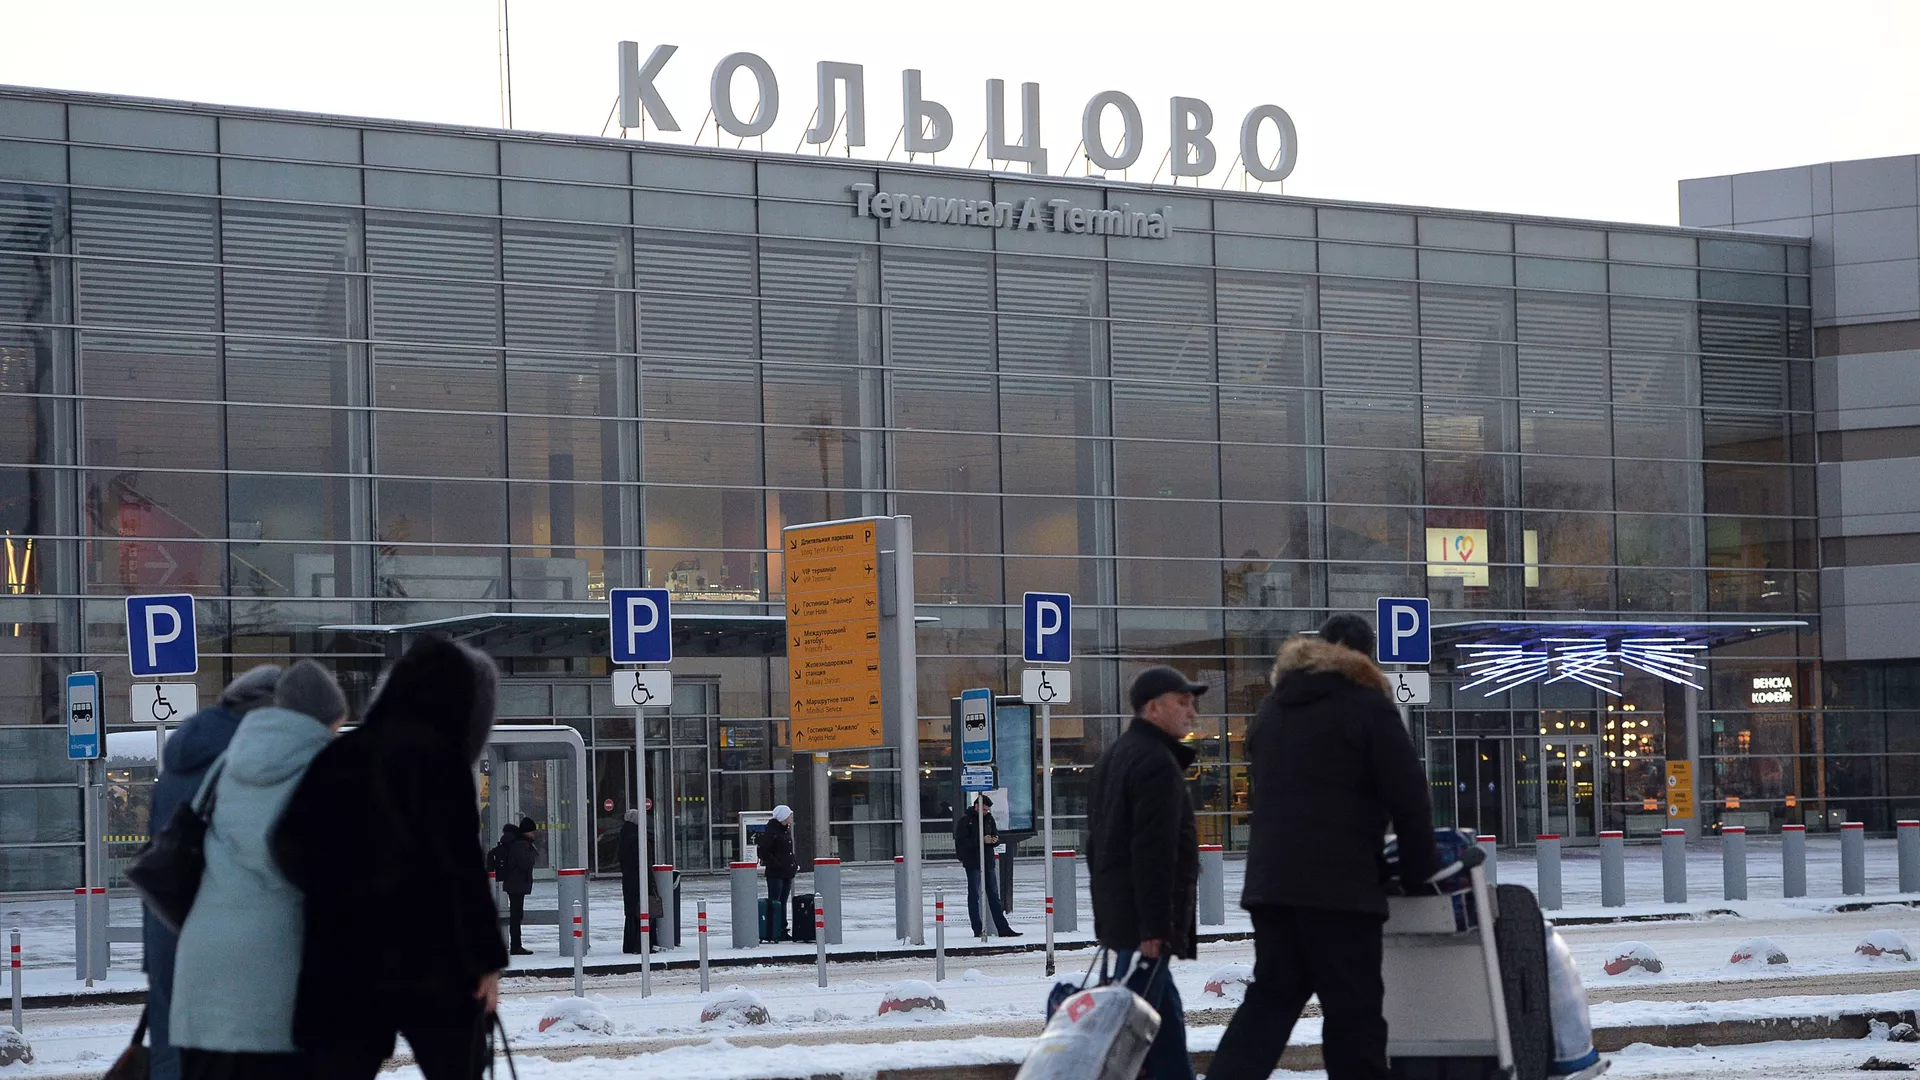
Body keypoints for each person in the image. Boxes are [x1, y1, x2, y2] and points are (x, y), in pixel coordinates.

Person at [1205, 615, 1440, 1080]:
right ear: (1365, 657)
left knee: (1269, 1004)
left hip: (1273, 887)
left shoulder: (1274, 709)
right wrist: (1418, 876)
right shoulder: (1367, 706)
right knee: (1355, 1015)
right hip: (1341, 889)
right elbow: (1409, 797)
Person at [274, 637, 506, 1080]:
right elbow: (463, 871)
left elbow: (287, 845)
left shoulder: (340, 755)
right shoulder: (440, 762)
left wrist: (336, 893)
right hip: (431, 960)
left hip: (344, 958)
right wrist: (486, 960)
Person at [170, 661, 347, 1079]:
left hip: (201, 970)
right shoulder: (329, 769)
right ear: (326, 719)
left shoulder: (228, 763)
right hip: (278, 975)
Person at [141, 664, 280, 1080]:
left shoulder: (176, 767)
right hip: (229, 942)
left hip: (168, 934)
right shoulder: (251, 763)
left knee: (174, 1058)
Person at [1086, 665, 1206, 1080]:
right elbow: (1153, 851)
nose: (1192, 712)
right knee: (1125, 1033)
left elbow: (1098, 846)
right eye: (1182, 702)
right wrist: (1155, 927)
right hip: (1144, 926)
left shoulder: (1115, 756)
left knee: (1160, 1018)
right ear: (1153, 709)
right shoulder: (1155, 762)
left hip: (1125, 916)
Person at [952, 794, 1019, 939]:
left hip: (988, 862)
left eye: (987, 810)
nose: (985, 812)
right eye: (984, 809)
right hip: (972, 862)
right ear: (976, 806)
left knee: (994, 895)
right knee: (974, 895)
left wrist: (994, 840)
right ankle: (977, 929)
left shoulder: (989, 819)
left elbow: (995, 835)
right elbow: (962, 842)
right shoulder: (965, 820)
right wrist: (981, 840)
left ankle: (1003, 928)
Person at [487, 821, 536, 956]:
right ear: (526, 832)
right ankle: (516, 945)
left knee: (516, 914)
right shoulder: (520, 844)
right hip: (517, 883)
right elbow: (525, 863)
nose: (533, 835)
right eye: (532, 832)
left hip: (513, 882)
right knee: (516, 915)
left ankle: (516, 945)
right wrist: (531, 856)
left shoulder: (514, 842)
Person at [760, 805, 798, 942]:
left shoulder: (785, 831)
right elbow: (764, 852)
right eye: (789, 815)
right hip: (775, 873)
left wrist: (793, 865)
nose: (791, 818)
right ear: (783, 817)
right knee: (775, 902)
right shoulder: (772, 832)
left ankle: (782, 929)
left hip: (786, 872)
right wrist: (777, 863)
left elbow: (788, 852)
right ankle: (774, 929)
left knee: (783, 901)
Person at [618, 809, 645, 953]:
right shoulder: (637, 837)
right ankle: (639, 944)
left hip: (628, 879)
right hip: (637, 879)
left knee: (630, 912)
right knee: (640, 910)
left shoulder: (624, 834)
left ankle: (629, 944)